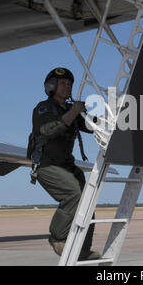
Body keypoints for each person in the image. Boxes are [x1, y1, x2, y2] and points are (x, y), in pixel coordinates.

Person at [31, 67, 100, 260]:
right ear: (51, 86)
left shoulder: (71, 110)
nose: (67, 86)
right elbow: (47, 130)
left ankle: (83, 249)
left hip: (66, 164)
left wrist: (111, 122)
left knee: (88, 203)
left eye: (69, 84)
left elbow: (91, 124)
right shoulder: (43, 108)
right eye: (62, 83)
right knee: (73, 194)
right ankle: (57, 238)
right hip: (46, 164)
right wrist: (74, 112)